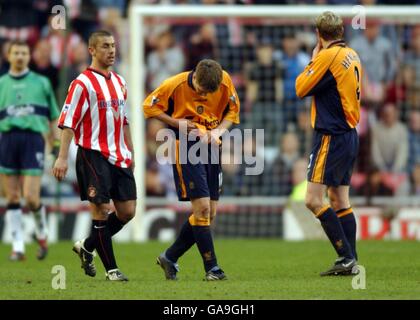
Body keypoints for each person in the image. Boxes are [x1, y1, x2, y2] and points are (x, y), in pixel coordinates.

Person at [143, 59, 240, 281]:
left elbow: (233, 112)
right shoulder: (174, 84)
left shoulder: (224, 81)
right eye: (201, 91)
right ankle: (212, 268)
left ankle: (170, 256)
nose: (205, 96)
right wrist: (177, 123)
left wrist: (218, 133)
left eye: (209, 93)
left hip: (211, 144)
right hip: (186, 146)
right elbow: (148, 106)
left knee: (209, 213)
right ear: (194, 76)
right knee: (203, 209)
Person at [53, 30, 136, 281]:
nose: (111, 50)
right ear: (92, 50)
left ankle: (88, 246)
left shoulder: (120, 81)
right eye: (105, 46)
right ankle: (112, 270)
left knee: (127, 212)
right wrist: (62, 157)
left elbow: (124, 121)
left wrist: (130, 151)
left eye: (113, 45)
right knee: (100, 210)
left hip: (119, 155)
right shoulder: (82, 84)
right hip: (92, 153)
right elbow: (69, 122)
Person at [295, 11, 361, 276]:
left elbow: (300, 88)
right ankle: (351, 259)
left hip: (330, 135)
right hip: (349, 134)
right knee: (339, 198)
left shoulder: (326, 56)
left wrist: (313, 59)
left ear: (318, 34)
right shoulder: (352, 55)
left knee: (312, 199)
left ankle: (345, 255)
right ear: (341, 33)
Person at [0, 40, 60, 261]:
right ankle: (18, 247)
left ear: (29, 56)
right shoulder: (1, 83)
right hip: (7, 139)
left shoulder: (41, 83)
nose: (20, 56)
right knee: (13, 196)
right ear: (8, 56)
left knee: (31, 197)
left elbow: (53, 116)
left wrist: (56, 144)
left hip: (33, 140)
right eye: (16, 52)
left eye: (24, 52)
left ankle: (42, 234)